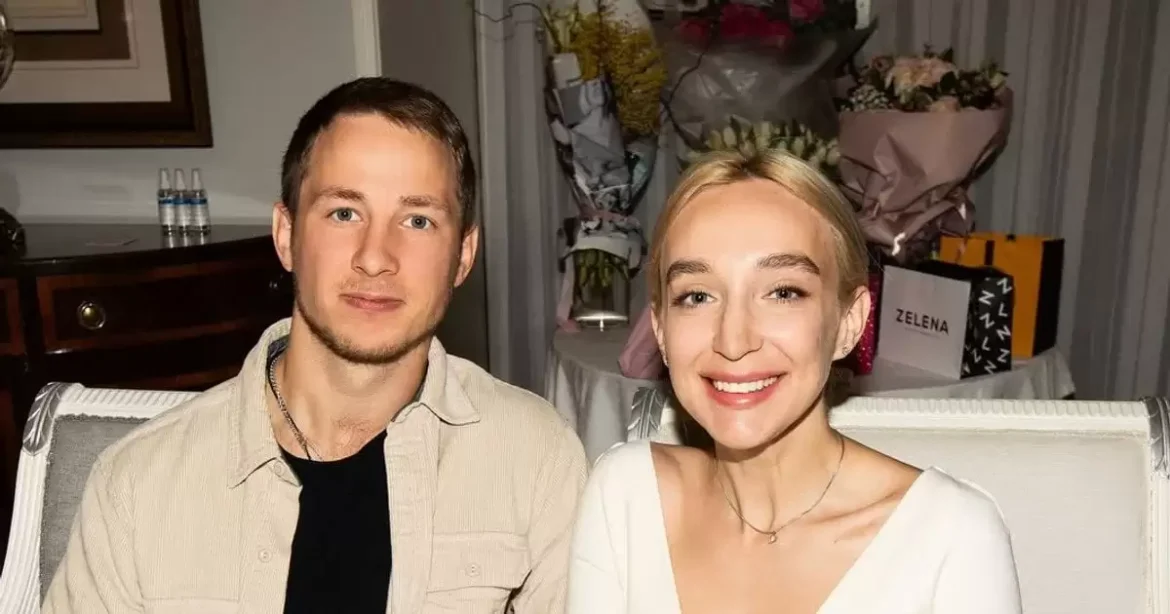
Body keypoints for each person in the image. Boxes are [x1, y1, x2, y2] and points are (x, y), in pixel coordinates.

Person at [44, 78, 588, 614]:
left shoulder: (535, 458)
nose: (375, 257)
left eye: (418, 220)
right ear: (286, 236)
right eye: (344, 213)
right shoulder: (138, 483)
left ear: (463, 256)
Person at [566, 150, 1022, 613]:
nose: (733, 340)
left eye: (783, 292)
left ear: (849, 322)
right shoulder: (626, 498)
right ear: (661, 330)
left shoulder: (949, 539)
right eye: (697, 296)